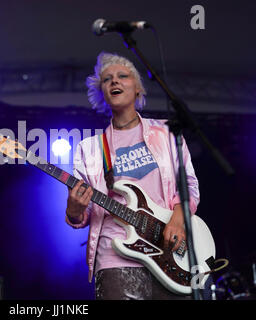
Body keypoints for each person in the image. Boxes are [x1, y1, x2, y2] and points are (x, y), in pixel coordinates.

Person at [64, 52, 200, 300]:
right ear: (102, 93)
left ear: (137, 88)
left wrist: (179, 220)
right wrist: (73, 210)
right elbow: (80, 216)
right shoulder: (90, 148)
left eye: (122, 76)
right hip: (115, 254)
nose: (114, 81)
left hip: (168, 249)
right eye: (107, 79)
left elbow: (189, 185)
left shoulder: (167, 133)